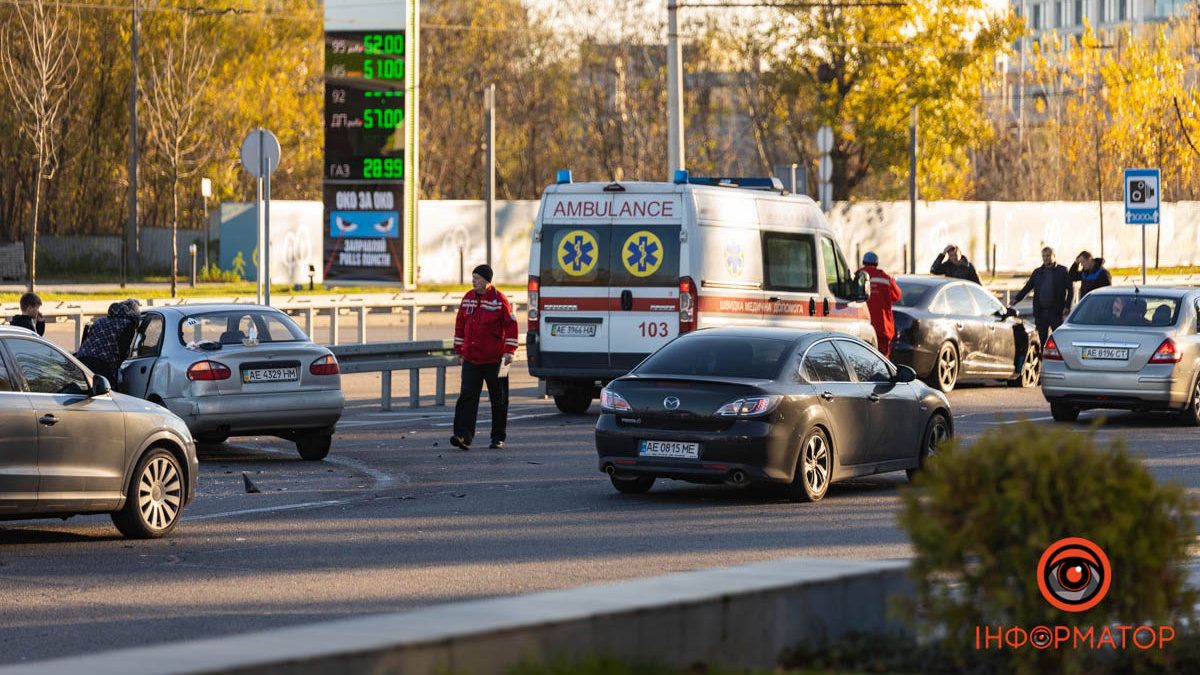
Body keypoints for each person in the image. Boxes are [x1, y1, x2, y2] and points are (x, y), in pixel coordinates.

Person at [450, 264, 518, 451]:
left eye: (477, 278)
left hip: (495, 361)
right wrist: (459, 350)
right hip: (472, 359)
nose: (474, 281)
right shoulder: (468, 299)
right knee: (467, 398)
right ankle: (462, 436)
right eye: (473, 277)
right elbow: (460, 326)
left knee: (499, 400)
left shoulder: (499, 300)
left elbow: (511, 326)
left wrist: (509, 350)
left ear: (488, 281)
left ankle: (498, 437)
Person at [1011, 247, 1073, 347]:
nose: (1045, 258)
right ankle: (1042, 360)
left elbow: (1071, 289)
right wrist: (1016, 299)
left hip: (1056, 312)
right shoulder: (1037, 272)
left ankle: (1058, 360)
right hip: (1040, 312)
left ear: (1054, 256)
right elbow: (1027, 287)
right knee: (1041, 340)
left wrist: (1067, 306)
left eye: (1048, 256)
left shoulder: (1062, 271)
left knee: (1058, 339)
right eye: (1043, 256)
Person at [75, 299, 141, 385]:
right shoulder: (127, 324)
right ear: (133, 313)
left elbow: (87, 340)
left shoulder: (99, 321)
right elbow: (123, 350)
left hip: (82, 359)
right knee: (107, 392)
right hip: (103, 363)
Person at [856, 252, 902, 358]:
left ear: (863, 262)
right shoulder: (885, 278)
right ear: (876, 263)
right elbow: (897, 296)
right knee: (882, 358)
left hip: (861, 324)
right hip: (882, 326)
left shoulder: (858, 276)